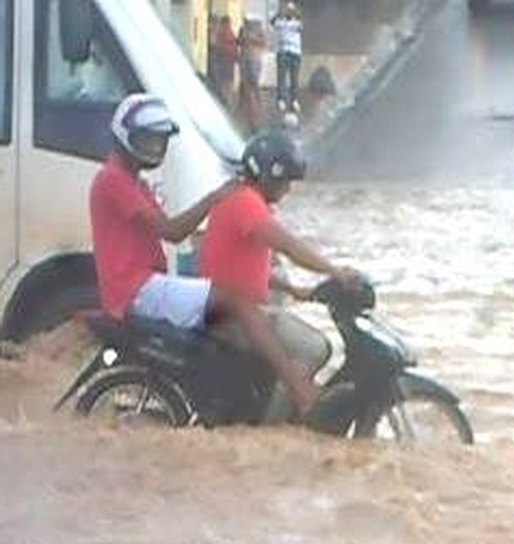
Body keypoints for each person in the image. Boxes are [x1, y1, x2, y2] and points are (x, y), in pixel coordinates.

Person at [88, 93, 335, 425]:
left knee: (234, 301)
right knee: (234, 301)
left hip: (145, 283)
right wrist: (212, 199)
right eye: (147, 139)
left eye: (159, 140)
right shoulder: (113, 180)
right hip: (135, 289)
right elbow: (172, 231)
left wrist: (295, 289)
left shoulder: (132, 182)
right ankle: (299, 390)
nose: (154, 148)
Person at [198, 130, 360, 419]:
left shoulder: (242, 199)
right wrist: (335, 271)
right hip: (232, 316)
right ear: (268, 174)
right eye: (284, 181)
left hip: (230, 308)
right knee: (315, 347)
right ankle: (277, 425)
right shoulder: (246, 202)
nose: (287, 189)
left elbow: (244, 267)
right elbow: (289, 246)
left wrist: (294, 289)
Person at [270, 2, 303, 114]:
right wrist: (280, 13)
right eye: (287, 11)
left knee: (294, 78)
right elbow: (272, 22)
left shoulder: (297, 22)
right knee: (281, 78)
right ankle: (281, 99)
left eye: (290, 12)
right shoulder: (280, 22)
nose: (289, 13)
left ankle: (294, 100)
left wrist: (294, 11)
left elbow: (301, 24)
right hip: (283, 52)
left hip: (295, 53)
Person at [237, 16, 266, 132]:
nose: (247, 24)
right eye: (246, 22)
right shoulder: (243, 29)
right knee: (247, 88)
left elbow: (263, 42)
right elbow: (239, 41)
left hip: (254, 60)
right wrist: (243, 39)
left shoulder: (259, 31)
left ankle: (259, 112)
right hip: (244, 59)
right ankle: (249, 115)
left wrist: (252, 39)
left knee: (255, 86)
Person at [213, 15, 239, 108]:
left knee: (224, 81)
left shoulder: (221, 34)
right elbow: (235, 47)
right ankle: (228, 100)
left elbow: (218, 47)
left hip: (224, 61)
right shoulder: (230, 33)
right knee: (228, 81)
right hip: (228, 61)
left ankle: (226, 99)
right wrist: (236, 59)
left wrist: (216, 59)